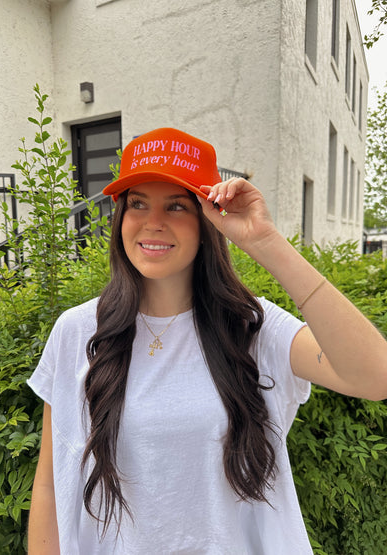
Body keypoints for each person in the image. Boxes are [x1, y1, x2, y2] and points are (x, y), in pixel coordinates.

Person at [27, 128, 387, 554]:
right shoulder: (76, 331)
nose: (152, 222)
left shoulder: (252, 327)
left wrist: (266, 242)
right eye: (137, 203)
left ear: (207, 222)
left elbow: (374, 377)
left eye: (177, 205)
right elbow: (51, 482)